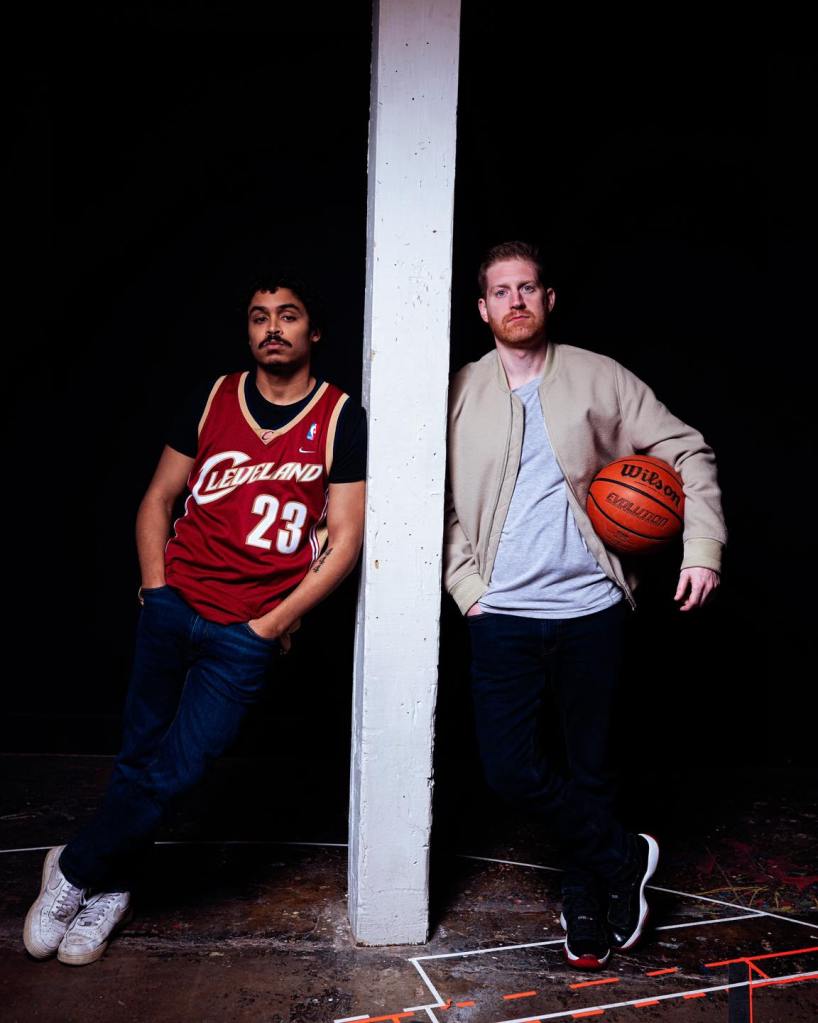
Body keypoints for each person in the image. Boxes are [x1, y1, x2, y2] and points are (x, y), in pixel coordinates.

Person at [23, 273, 367, 966]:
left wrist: (272, 624)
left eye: (288, 315)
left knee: (177, 771)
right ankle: (112, 886)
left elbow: (347, 540)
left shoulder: (339, 416)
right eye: (259, 316)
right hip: (174, 606)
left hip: (247, 631)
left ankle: (73, 866)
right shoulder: (213, 396)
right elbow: (158, 497)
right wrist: (156, 590)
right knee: (138, 758)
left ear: (314, 331)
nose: (272, 327)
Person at [444, 241, 725, 970]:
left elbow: (687, 449)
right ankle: (624, 856)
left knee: (590, 766)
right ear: (482, 309)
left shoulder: (599, 376)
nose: (515, 301)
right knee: (510, 768)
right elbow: (431, 499)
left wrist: (702, 547)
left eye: (527, 288)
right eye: (500, 291)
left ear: (548, 299)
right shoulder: (459, 390)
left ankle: (586, 896)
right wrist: (467, 587)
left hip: (591, 608)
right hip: (502, 613)